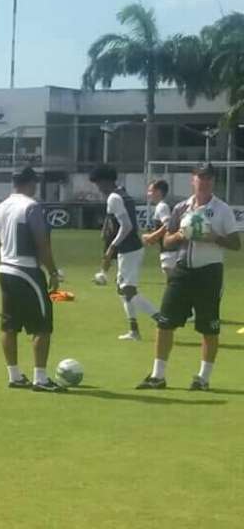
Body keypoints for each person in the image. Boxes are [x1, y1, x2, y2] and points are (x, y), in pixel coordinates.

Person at [137, 164, 240, 391]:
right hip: (182, 270)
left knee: (208, 328)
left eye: (208, 179)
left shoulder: (222, 209)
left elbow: (236, 244)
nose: (203, 182)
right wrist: (182, 235)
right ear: (192, 180)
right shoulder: (182, 208)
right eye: (199, 178)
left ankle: (202, 378)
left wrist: (214, 237)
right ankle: (158, 375)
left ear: (213, 182)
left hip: (209, 273)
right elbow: (167, 241)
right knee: (165, 323)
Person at [0, 167, 66, 393]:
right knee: (42, 325)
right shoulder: (31, 207)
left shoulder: (1, 206)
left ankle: (14, 375)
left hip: (5, 269)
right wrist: (53, 272)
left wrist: (4, 263)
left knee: (9, 324)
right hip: (27, 271)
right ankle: (40, 379)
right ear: (30, 183)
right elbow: (42, 245)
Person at [89, 166, 161, 341]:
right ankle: (134, 330)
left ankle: (161, 319)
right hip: (130, 248)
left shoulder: (113, 197)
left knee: (128, 291)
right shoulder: (123, 193)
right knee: (123, 291)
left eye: (98, 183)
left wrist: (112, 246)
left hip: (129, 249)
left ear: (105, 181)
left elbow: (126, 226)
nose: (98, 188)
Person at [142, 179, 177, 279]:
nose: (148, 194)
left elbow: (167, 226)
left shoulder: (161, 206)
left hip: (170, 252)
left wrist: (152, 237)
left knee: (174, 285)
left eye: (150, 191)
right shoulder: (162, 206)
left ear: (158, 192)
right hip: (168, 251)